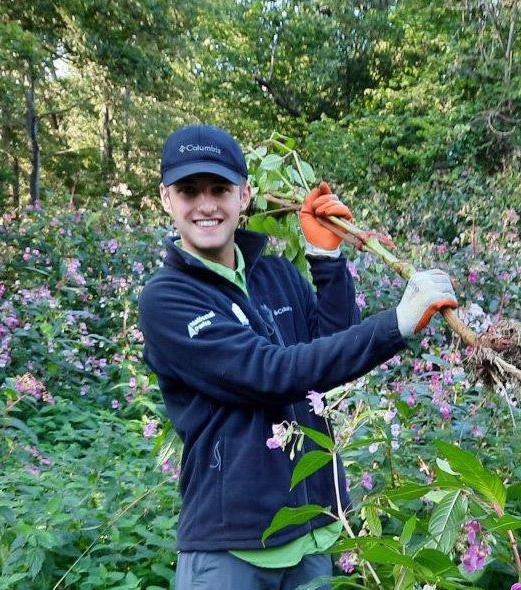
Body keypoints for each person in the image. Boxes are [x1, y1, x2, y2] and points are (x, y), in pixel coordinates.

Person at [137, 124, 458, 590]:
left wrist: (326, 261)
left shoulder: (277, 275)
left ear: (244, 195)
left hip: (315, 528)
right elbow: (268, 373)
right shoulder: (167, 300)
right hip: (232, 549)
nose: (205, 204)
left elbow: (331, 354)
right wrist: (396, 324)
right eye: (189, 191)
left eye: (219, 189)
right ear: (167, 198)